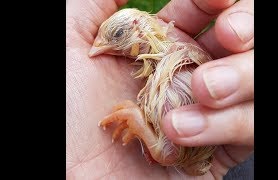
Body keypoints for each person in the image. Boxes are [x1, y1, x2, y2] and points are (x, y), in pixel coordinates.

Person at [66, 0, 253, 179]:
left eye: (118, 34)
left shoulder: (177, 66)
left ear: (138, 28)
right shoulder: (172, 67)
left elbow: (171, 153)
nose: (96, 46)